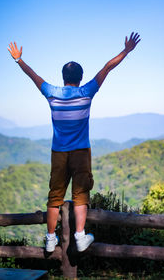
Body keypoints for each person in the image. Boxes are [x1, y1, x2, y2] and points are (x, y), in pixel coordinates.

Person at [8, 32, 140, 252]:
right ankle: (80, 236)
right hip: (80, 151)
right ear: (80, 77)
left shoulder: (52, 93)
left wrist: (18, 59)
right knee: (81, 194)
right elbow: (107, 67)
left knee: (55, 196)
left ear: (63, 77)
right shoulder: (86, 91)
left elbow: (33, 75)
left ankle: (50, 239)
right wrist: (126, 51)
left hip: (58, 151)